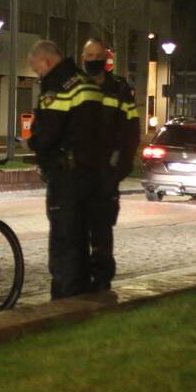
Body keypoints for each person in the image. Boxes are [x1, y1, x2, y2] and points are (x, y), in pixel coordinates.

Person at [26, 40, 107, 299]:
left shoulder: (57, 87)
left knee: (64, 241)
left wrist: (32, 142)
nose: (38, 74)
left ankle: (65, 299)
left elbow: (47, 133)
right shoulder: (85, 82)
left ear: (47, 62)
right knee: (82, 238)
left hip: (66, 177)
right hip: (90, 174)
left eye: (37, 69)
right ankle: (83, 294)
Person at [80, 38, 140, 291]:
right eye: (89, 56)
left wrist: (118, 171)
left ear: (106, 59)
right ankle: (80, 278)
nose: (94, 61)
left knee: (102, 230)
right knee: (76, 230)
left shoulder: (119, 89)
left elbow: (131, 133)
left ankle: (102, 281)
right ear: (83, 59)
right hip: (79, 173)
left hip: (106, 173)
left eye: (98, 56)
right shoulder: (74, 86)